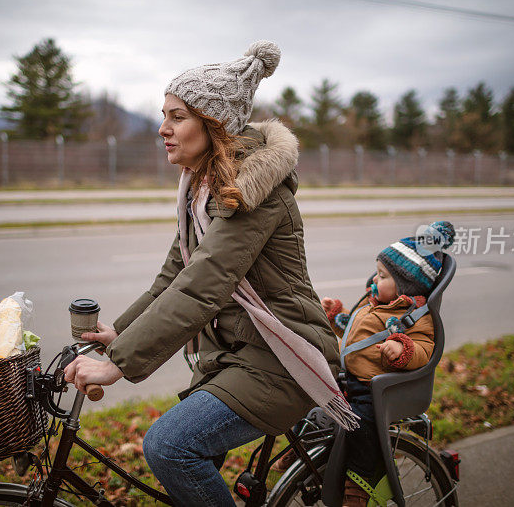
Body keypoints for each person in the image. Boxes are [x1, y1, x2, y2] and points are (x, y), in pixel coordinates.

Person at [63, 41, 354, 506]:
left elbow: (204, 285)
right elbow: (174, 275)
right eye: (164, 115)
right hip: (236, 354)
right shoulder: (200, 191)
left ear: (213, 123)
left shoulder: (252, 193)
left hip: (280, 358)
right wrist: (118, 330)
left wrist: (120, 362)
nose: (163, 129)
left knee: (169, 446)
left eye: (177, 116)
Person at [320, 221, 455, 507]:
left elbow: (424, 349)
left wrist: (402, 348)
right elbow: (357, 333)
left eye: (381, 276)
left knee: (361, 429)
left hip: (374, 390)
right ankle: (304, 452)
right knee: (315, 404)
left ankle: (360, 485)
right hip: (351, 380)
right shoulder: (376, 305)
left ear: (404, 286)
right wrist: (336, 315)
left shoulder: (415, 317)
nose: (373, 281)